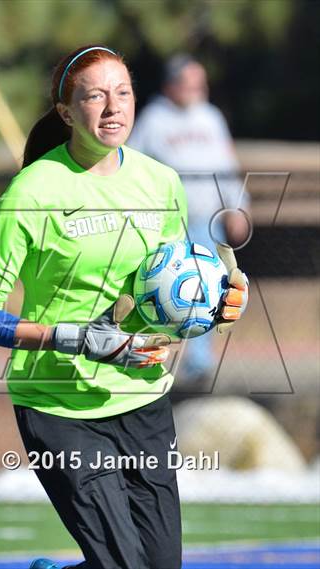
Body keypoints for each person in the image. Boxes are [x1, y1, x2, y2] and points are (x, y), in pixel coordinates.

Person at [0, 45, 247, 569]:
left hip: (143, 402)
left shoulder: (161, 183)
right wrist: (72, 336)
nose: (113, 107)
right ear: (68, 113)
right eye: (95, 96)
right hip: (60, 407)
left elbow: (164, 297)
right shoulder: (32, 193)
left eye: (123, 92)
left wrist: (212, 306)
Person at [129, 54, 251, 393]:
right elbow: (131, 164)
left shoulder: (210, 117)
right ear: (171, 86)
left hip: (207, 220)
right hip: (168, 223)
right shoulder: (153, 119)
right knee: (161, 290)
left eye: (201, 83)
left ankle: (199, 366)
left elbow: (226, 165)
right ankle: (151, 358)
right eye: (190, 83)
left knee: (209, 292)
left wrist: (238, 207)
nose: (197, 90)